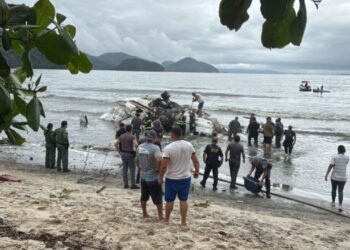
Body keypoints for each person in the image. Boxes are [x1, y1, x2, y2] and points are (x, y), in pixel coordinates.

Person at [159, 126, 200, 228]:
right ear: (181, 134)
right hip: (185, 177)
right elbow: (196, 161)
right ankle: (183, 223)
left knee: (169, 200)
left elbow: (164, 166)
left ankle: (167, 220)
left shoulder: (169, 148)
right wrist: (197, 172)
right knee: (183, 200)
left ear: (172, 135)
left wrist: (160, 177)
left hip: (172, 178)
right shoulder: (189, 145)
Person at [136, 130, 163, 220]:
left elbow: (137, 160)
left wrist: (139, 167)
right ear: (154, 138)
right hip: (153, 177)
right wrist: (158, 170)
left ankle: (145, 214)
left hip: (143, 176)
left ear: (146, 138)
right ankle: (160, 216)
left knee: (144, 196)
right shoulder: (155, 148)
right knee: (157, 198)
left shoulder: (140, 146)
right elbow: (159, 159)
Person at [325, 145, 349, 211]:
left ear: (338, 150)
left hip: (335, 177)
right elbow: (345, 164)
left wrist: (326, 174)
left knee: (333, 189)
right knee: (340, 191)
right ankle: (340, 206)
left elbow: (330, 166)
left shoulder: (334, 156)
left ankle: (333, 203)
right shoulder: (347, 157)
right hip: (343, 177)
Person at [115, 125, 139, 189]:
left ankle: (125, 184)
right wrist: (136, 150)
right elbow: (136, 144)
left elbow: (115, 144)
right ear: (131, 129)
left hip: (123, 153)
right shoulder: (132, 136)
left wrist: (119, 151)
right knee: (132, 169)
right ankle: (133, 184)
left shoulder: (121, 136)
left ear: (125, 129)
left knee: (124, 169)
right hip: (130, 154)